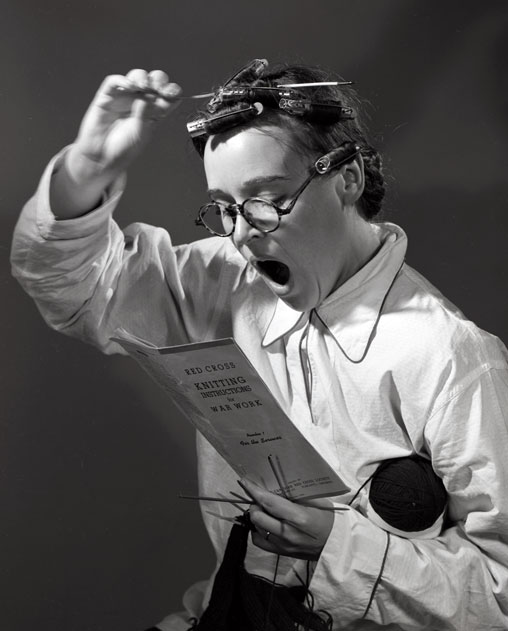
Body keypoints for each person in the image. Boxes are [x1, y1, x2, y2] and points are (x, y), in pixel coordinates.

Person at [10, 59, 508, 630]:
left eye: (268, 198)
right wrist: (87, 165)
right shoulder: (225, 280)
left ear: (347, 179)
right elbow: (72, 286)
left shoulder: (451, 357)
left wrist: (338, 549)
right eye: (225, 208)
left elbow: (501, 592)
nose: (244, 233)